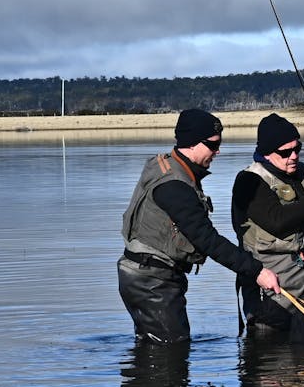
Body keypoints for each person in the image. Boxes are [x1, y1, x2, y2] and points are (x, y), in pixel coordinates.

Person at [119, 108, 281, 343]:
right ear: (192, 143)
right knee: (171, 351)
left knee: (156, 346)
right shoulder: (175, 186)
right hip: (151, 281)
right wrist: (256, 271)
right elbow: (207, 240)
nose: (218, 151)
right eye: (213, 145)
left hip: (143, 275)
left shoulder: (167, 165)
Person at [231, 113, 304, 337]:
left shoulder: (302, 172)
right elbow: (278, 221)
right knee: (271, 345)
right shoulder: (249, 181)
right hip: (273, 288)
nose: (293, 156)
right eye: (285, 152)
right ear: (267, 152)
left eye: (297, 148)